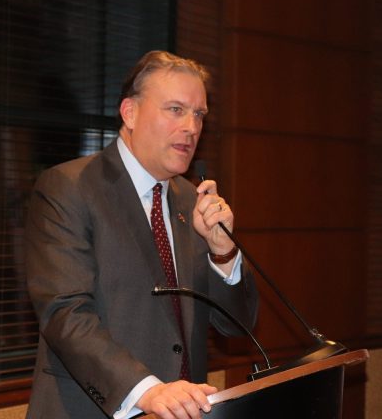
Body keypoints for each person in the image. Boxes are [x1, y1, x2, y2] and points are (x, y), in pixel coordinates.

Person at [25, 51, 258, 419]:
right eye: (176, 109)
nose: (192, 127)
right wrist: (147, 390)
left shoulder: (191, 199)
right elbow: (64, 314)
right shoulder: (70, 187)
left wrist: (223, 254)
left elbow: (236, 325)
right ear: (130, 113)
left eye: (199, 114)